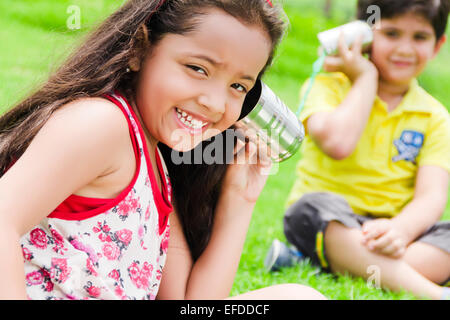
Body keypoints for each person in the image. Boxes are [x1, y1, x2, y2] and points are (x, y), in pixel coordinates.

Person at [0, 0, 326, 300]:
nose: (214, 102)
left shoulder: (155, 167)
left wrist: (239, 200)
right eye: (198, 68)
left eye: (238, 86)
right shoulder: (103, 124)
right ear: (139, 49)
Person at [266, 0, 450, 300]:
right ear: (360, 33)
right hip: (330, 221)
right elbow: (338, 144)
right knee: (312, 209)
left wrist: (401, 229)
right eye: (391, 34)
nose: (405, 48)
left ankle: (341, 263)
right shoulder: (328, 86)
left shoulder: (435, 117)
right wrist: (365, 79)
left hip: (392, 235)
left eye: (419, 37)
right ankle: (431, 292)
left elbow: (432, 196)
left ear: (438, 44)